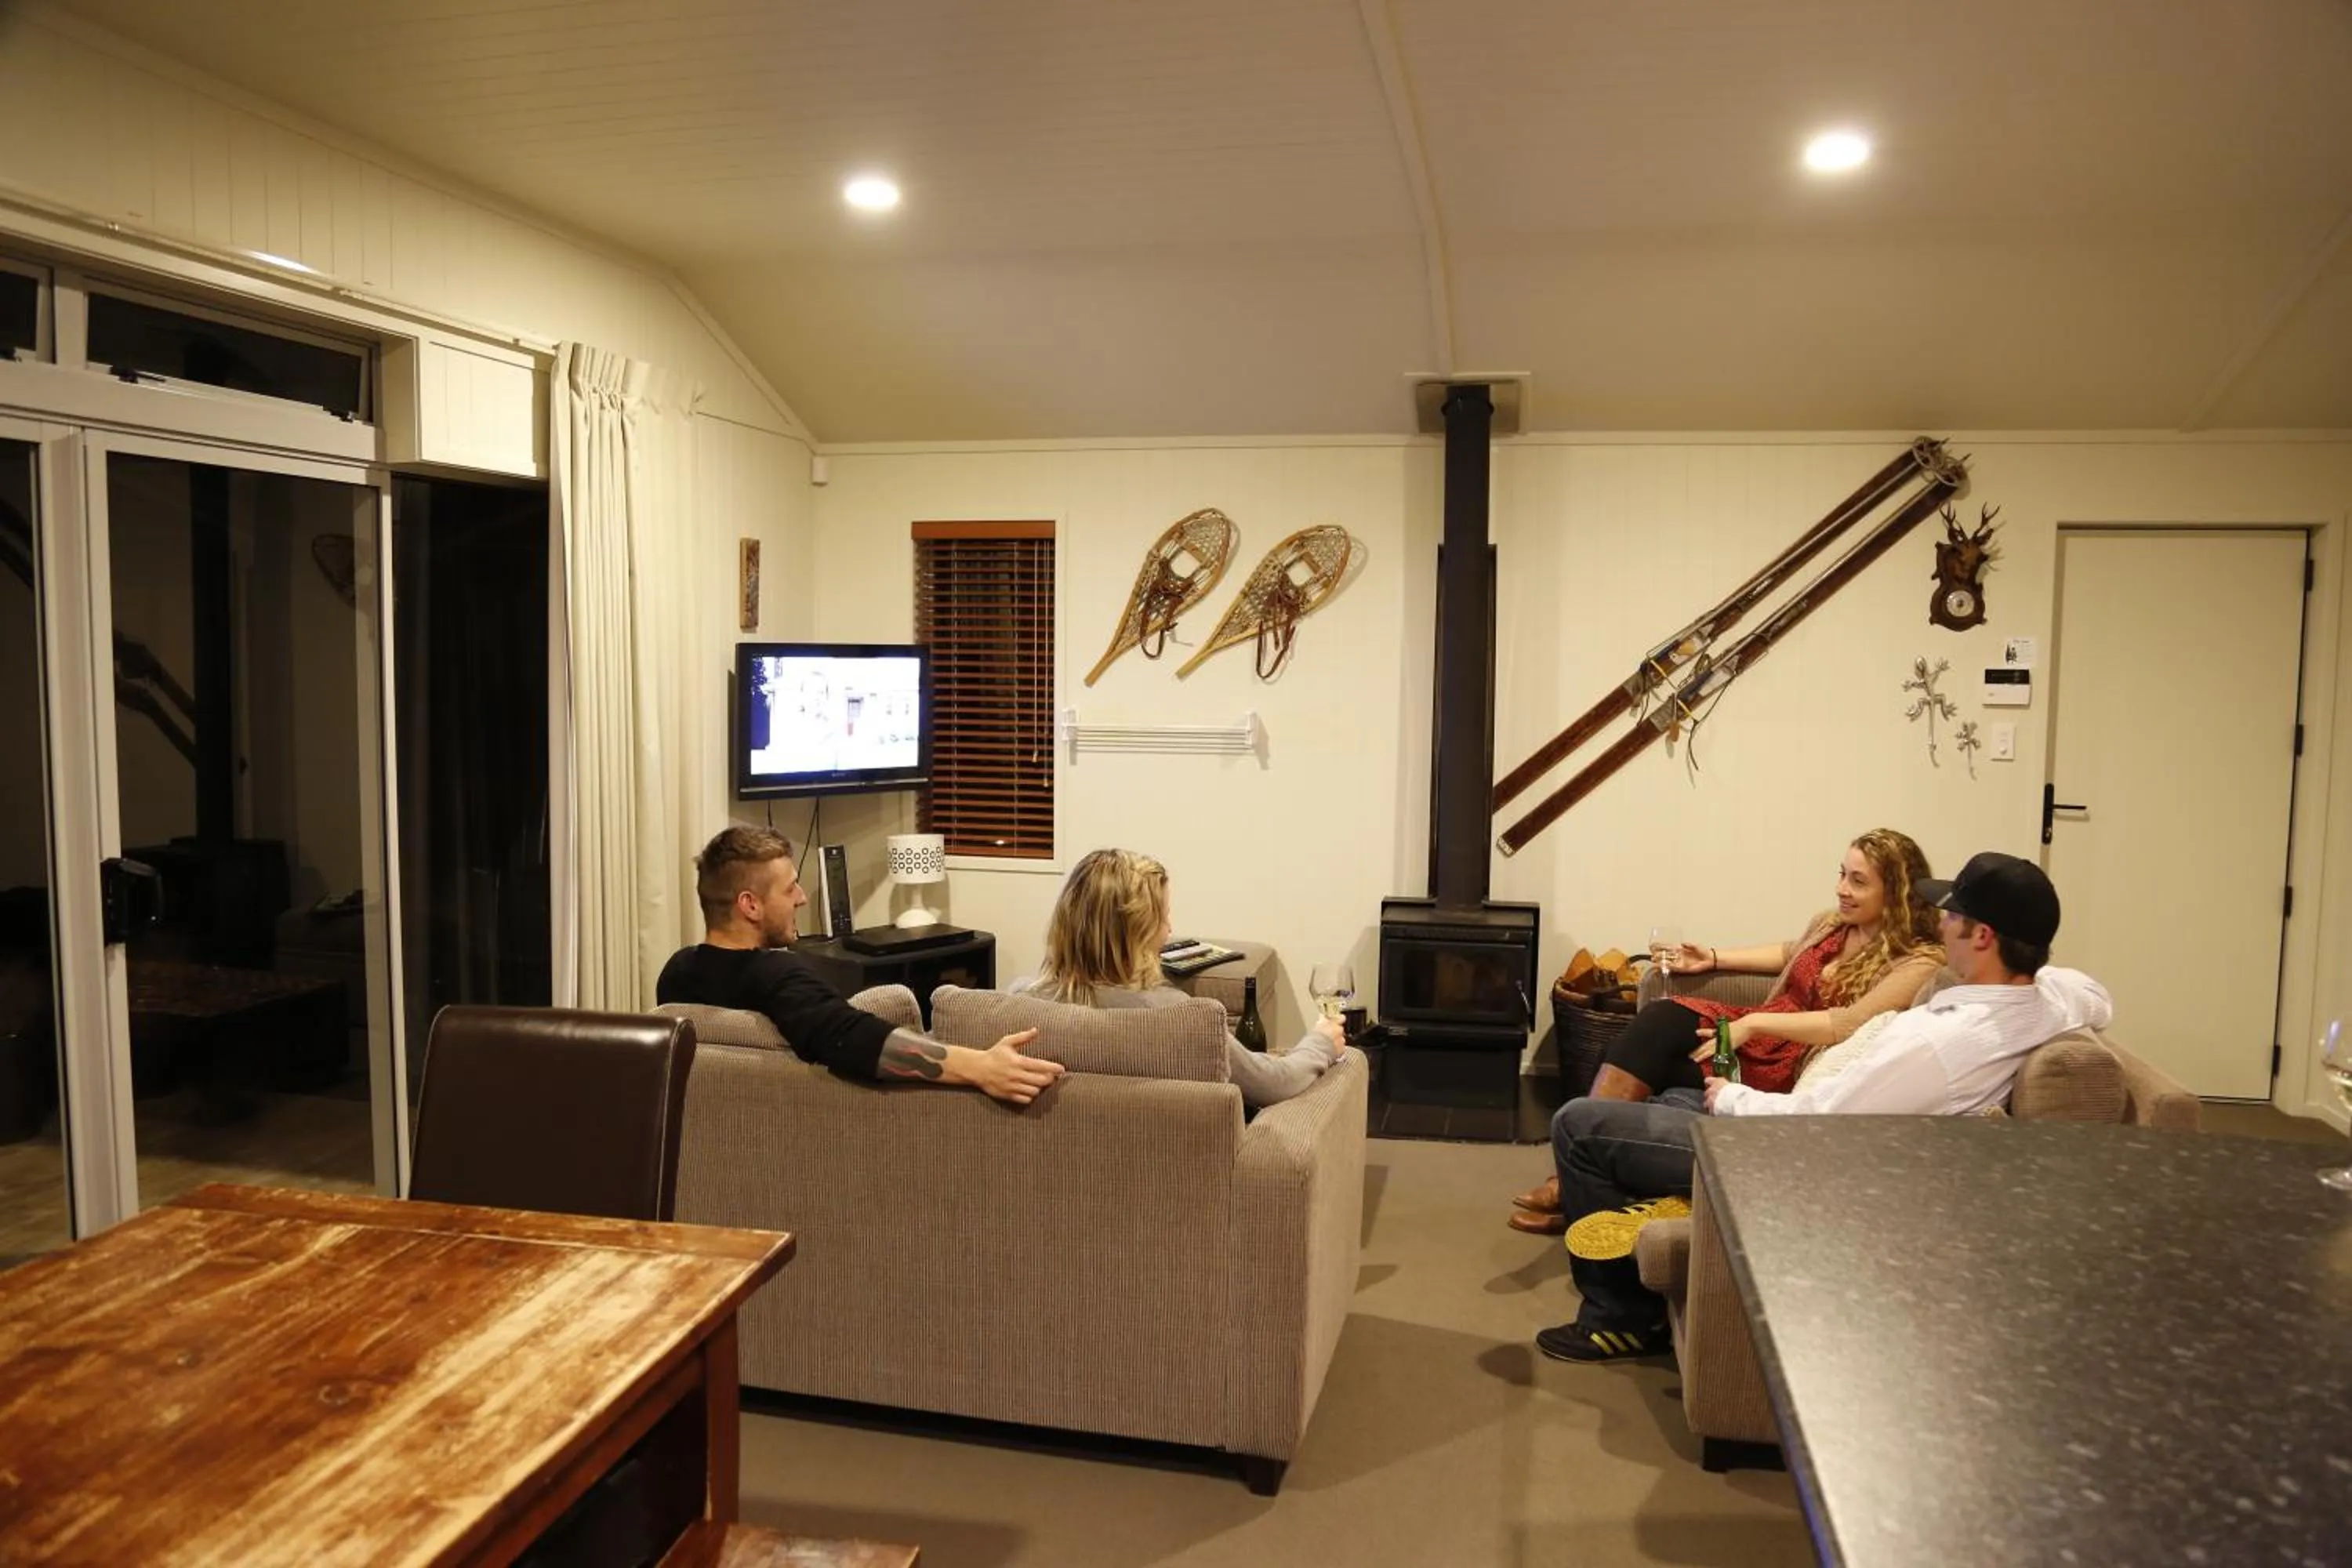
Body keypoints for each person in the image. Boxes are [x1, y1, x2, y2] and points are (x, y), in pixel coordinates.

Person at [1534, 851, 2111, 1364]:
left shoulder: (1938, 1045)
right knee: (1671, 1089)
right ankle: (1662, 1216)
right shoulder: (2046, 1001)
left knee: (1579, 1126)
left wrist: (1733, 1097)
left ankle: (1622, 1321)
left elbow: (1818, 1124)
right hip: (1806, 1130)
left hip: (1790, 1158)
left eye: (1953, 916)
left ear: (1983, 936)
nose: (1942, 924)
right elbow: (2092, 994)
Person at [1509, 828, 1944, 1234]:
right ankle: (1575, 1181)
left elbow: (1846, 1024)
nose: (1841, 889)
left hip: (1793, 1062)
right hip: (1765, 1035)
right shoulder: (1834, 924)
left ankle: (1575, 1185)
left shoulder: (1918, 961)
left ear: (1897, 891)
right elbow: (1789, 953)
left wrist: (1751, 1024)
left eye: (1858, 881)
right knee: (1660, 1022)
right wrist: (1713, 958)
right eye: (1842, 874)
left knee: (1660, 1058)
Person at [656, 826, 1065, 1105]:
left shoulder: (675, 976)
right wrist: (981, 1066)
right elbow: (855, 1039)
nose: (801, 897)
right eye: (790, 887)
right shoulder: (778, 977)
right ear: (750, 905)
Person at [1006, 848, 1345, 1109]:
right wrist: (1321, 1043)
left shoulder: (1021, 1003)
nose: (1170, 930)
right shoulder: (1181, 1018)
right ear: (1137, 933)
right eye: (1164, 917)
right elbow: (1274, 1083)